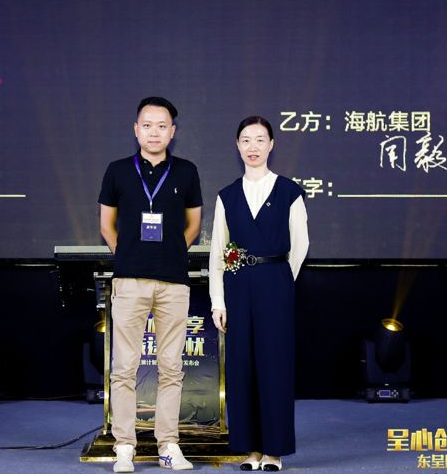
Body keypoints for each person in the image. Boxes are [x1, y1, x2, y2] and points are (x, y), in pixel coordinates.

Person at [99, 97, 203, 472]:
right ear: (136, 129)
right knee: (124, 368)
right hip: (129, 281)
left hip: (174, 283)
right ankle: (124, 446)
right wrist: (129, 254)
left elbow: (193, 225)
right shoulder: (117, 171)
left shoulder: (187, 171)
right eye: (147, 125)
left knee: (171, 368)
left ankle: (168, 445)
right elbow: (106, 225)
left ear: (172, 132)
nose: (154, 132)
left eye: (162, 125)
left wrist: (170, 254)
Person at [208, 116, 309, 472]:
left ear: (271, 145)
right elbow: (217, 253)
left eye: (260, 139)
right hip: (238, 286)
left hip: (274, 283)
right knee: (241, 367)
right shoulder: (226, 196)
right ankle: (250, 449)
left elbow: (300, 245)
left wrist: (279, 281)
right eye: (246, 140)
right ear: (237, 146)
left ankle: (274, 451)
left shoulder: (289, 192)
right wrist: (218, 301)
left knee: (275, 365)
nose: (253, 147)